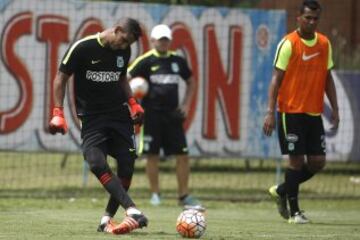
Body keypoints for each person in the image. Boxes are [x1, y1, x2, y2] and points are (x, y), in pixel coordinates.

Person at [48, 18, 148, 234]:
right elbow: (60, 78)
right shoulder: (83, 47)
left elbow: (121, 79)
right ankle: (132, 210)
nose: (125, 46)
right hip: (92, 118)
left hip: (120, 116)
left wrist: (133, 103)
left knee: (127, 166)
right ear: (117, 30)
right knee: (95, 162)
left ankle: (106, 219)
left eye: (129, 43)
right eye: (124, 40)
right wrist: (58, 112)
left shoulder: (124, 51)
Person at [263, 0, 339, 224]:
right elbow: (275, 80)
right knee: (295, 161)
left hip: (314, 113)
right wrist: (270, 112)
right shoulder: (288, 43)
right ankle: (295, 212)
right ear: (299, 18)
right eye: (307, 18)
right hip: (290, 112)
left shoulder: (324, 43)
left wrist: (335, 108)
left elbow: (328, 78)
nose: (311, 22)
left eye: (315, 18)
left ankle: (281, 189)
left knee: (318, 162)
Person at [127, 24, 200, 207]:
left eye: (166, 39)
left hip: (173, 116)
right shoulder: (145, 61)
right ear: (152, 41)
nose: (163, 42)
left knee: (182, 154)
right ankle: (155, 195)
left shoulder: (177, 61)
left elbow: (191, 81)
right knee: (152, 155)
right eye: (160, 39)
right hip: (151, 116)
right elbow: (126, 78)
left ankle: (183, 196)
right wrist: (133, 98)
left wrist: (186, 104)